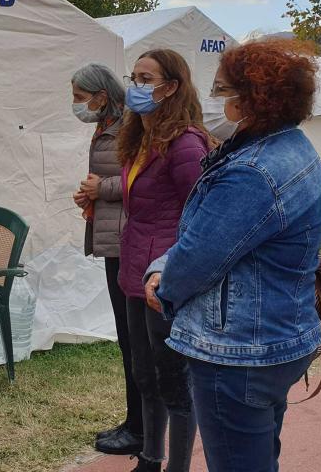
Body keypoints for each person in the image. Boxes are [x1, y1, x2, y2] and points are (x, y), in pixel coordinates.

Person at [145, 40, 321, 472]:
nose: (216, 99)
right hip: (279, 336)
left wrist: (163, 285)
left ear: (254, 98)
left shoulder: (253, 171)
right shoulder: (293, 147)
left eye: (223, 89)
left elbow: (200, 255)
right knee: (259, 458)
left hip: (239, 350)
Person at [117, 49, 212, 472]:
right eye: (133, 76)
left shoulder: (186, 143)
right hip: (134, 266)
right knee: (145, 374)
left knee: (174, 379)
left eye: (145, 78)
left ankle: (176, 466)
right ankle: (149, 459)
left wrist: (173, 267)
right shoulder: (140, 136)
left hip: (166, 274)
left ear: (170, 86)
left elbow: (203, 214)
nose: (136, 86)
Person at [71, 63, 143, 455]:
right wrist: (92, 194)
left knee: (135, 341)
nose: (77, 106)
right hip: (114, 238)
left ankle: (141, 428)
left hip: (128, 241)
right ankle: (135, 421)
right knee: (128, 339)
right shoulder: (108, 126)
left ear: (102, 94)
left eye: (81, 98)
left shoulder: (132, 126)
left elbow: (144, 178)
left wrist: (104, 188)